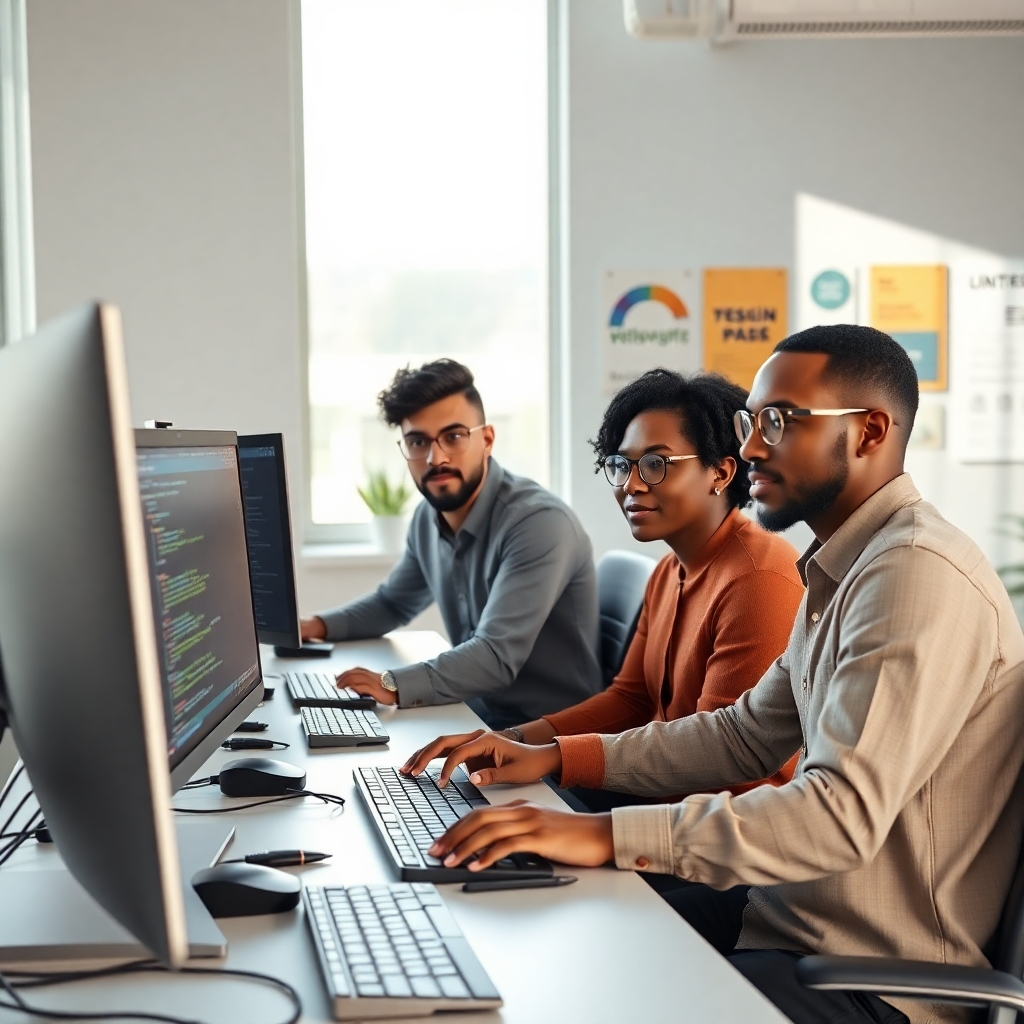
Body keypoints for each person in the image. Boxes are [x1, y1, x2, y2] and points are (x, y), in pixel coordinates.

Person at [403, 326, 1024, 1024]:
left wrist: (606, 833)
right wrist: (554, 760)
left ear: (870, 431)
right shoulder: (845, 567)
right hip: (785, 918)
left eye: (778, 423)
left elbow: (838, 816)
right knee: (551, 923)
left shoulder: (915, 574)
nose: (752, 446)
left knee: (591, 980)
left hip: (875, 980)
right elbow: (744, 733)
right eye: (748, 423)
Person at [499, 369, 804, 813]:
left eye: (657, 464)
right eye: (622, 465)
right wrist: (515, 740)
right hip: (658, 801)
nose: (631, 484)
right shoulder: (669, 570)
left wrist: (557, 759)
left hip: (719, 838)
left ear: (720, 472)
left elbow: (729, 764)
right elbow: (631, 698)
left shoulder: (760, 578)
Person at [301, 359, 601, 728]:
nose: (435, 457)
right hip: (477, 718)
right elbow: (392, 603)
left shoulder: (538, 523)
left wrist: (391, 684)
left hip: (553, 745)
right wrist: (311, 627)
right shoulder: (428, 518)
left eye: (454, 436)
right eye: (418, 441)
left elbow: (495, 656)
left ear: (487, 439)